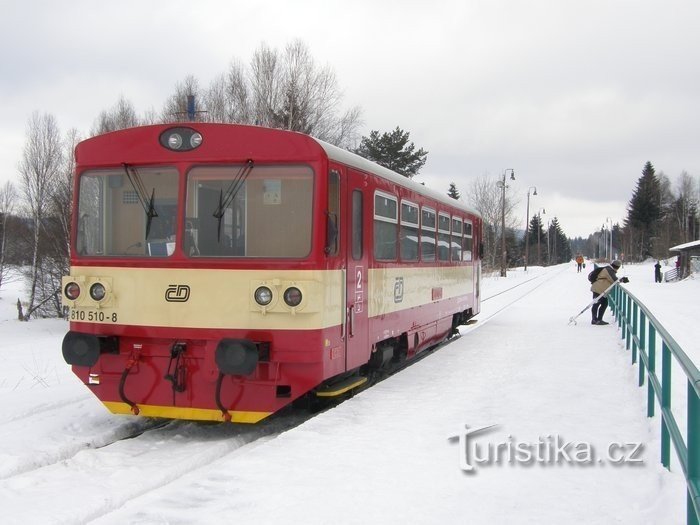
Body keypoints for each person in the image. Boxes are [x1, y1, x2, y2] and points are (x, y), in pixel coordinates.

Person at [591, 260, 629, 325]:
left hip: (600, 289)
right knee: (597, 304)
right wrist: (622, 280)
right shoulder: (609, 270)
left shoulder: (609, 269)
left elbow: (612, 278)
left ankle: (597, 319)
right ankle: (595, 320)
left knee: (603, 303)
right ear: (618, 267)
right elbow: (614, 280)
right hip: (598, 289)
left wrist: (621, 279)